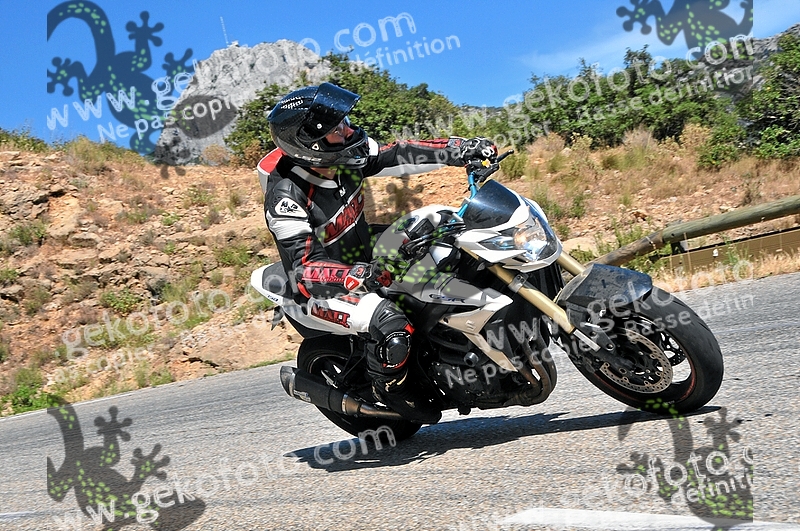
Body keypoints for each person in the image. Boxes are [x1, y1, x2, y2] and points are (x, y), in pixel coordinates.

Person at [258, 82, 496, 424]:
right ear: (312, 146)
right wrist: (359, 275)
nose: (348, 130)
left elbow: (399, 154)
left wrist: (459, 149)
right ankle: (392, 394)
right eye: (336, 129)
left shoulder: (346, 155)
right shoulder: (286, 199)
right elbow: (303, 268)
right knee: (390, 323)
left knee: (445, 235)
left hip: (364, 251)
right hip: (323, 285)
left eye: (344, 121)